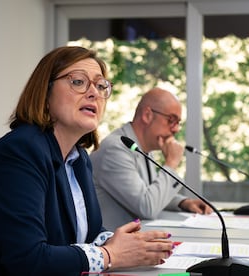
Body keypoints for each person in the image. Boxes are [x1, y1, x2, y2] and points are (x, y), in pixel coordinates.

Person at [0, 46, 175, 276]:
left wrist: (122, 243)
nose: (94, 93)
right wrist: (109, 254)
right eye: (78, 82)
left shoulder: (78, 159)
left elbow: (82, 234)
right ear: (45, 92)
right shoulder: (19, 152)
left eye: (101, 86)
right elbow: (27, 259)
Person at [90, 87, 212, 230]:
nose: (176, 129)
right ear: (147, 115)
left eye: (178, 123)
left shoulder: (142, 148)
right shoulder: (115, 149)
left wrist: (183, 203)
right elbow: (147, 207)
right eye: (171, 120)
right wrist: (171, 163)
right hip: (110, 247)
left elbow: (149, 192)